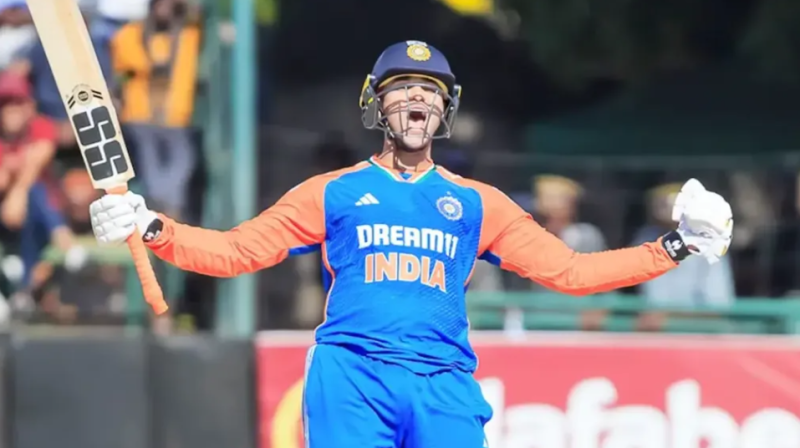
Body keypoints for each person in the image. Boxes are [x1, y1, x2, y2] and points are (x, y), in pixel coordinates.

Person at [89, 41, 734, 448]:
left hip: (443, 383)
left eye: (431, 91)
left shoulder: (479, 202)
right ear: (377, 105)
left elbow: (569, 272)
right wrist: (153, 227)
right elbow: (237, 252)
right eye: (402, 88)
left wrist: (675, 247)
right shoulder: (333, 191)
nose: (418, 97)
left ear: (445, 111)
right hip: (353, 376)